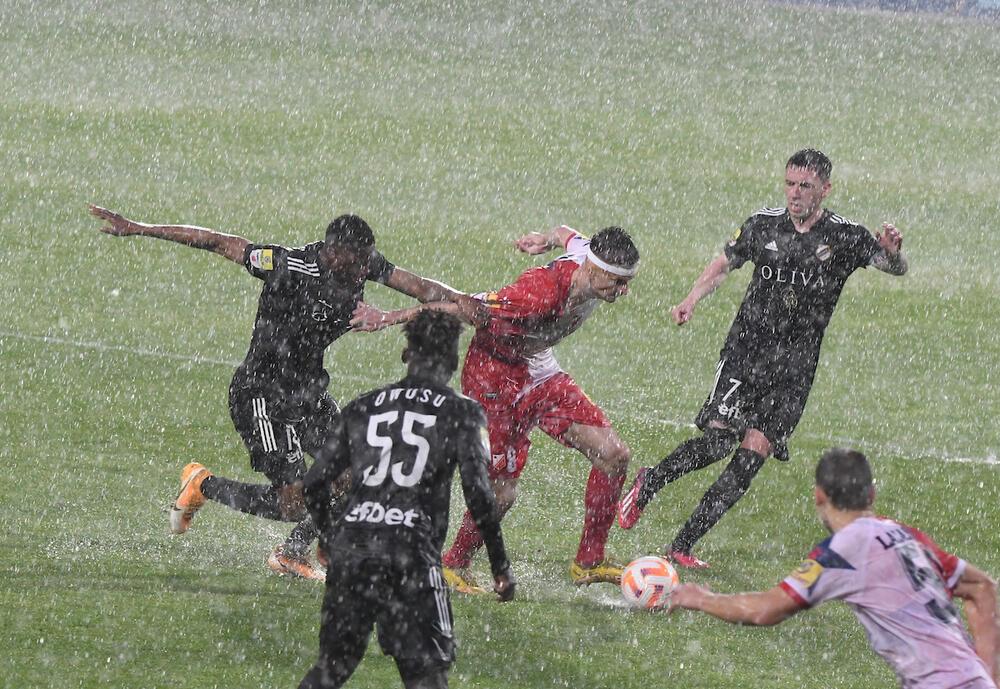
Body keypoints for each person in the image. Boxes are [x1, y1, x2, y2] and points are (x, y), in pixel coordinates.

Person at [89, 204, 477, 581]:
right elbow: (219, 242)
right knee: (294, 503)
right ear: (332, 253)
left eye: (367, 262)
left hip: (309, 395)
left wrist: (444, 306)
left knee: (360, 472)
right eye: (357, 262)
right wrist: (139, 228)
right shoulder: (287, 266)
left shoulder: (364, 264)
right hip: (261, 394)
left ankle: (294, 553)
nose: (364, 271)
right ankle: (201, 485)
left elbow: (428, 292)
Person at [617, 149, 909, 568]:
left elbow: (892, 267)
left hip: (795, 368)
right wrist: (691, 298)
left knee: (750, 458)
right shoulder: (763, 225)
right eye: (790, 183)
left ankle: (682, 545)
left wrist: (893, 253)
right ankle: (650, 482)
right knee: (718, 443)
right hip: (745, 354)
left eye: (805, 186)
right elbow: (725, 263)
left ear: (825, 189)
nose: (795, 193)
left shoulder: (844, 236)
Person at [356, 224, 639, 590]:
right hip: (494, 378)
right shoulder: (537, 294)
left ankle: (588, 562)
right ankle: (454, 564)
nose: (624, 290)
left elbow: (567, 233)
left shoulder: (584, 253)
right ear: (594, 268)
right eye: (617, 281)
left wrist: (544, 239)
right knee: (502, 493)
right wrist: (390, 317)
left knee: (614, 455)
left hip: (538, 368)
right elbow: (461, 305)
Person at [298, 310, 515, 689]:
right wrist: (500, 566)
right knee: (426, 675)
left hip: (353, 551)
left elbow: (315, 482)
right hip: (411, 555)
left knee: (331, 669)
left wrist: (330, 539)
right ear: (451, 361)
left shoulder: (363, 406)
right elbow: (480, 494)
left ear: (406, 355)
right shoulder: (463, 412)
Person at [670, 447, 999, 688]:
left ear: (818, 496)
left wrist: (700, 599)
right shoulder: (907, 536)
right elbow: (982, 588)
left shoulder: (842, 551)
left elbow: (765, 610)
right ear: (871, 493)